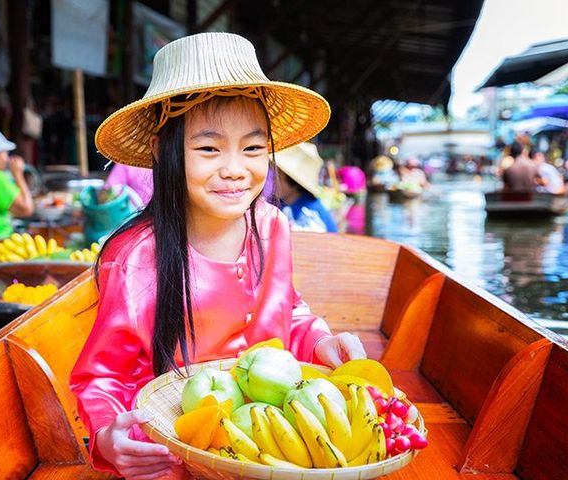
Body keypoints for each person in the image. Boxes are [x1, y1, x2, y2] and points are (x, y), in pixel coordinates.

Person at [69, 32, 366, 479]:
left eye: (252, 148)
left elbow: (290, 309)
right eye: (208, 148)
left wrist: (322, 341)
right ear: (162, 151)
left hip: (268, 439)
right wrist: (112, 438)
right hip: (171, 450)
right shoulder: (134, 257)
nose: (234, 168)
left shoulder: (271, 226)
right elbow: (101, 377)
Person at [274, 142, 338, 232]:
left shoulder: (310, 214)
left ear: (293, 182)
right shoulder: (281, 205)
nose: (273, 181)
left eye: (279, 177)